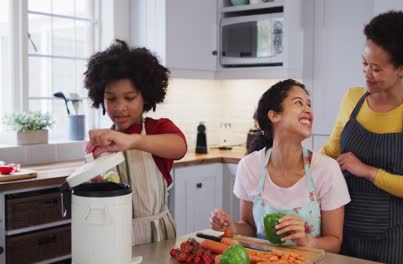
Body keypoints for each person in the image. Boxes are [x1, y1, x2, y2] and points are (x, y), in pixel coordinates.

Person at [320, 11, 403, 263]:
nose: (366, 73)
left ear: (402, 69)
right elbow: (331, 151)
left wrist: (367, 171)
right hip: (342, 228)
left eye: (376, 68)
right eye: (364, 63)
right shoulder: (351, 99)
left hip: (391, 237)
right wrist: (292, 164)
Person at [210, 79, 350, 253]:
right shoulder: (250, 166)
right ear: (275, 115)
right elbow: (250, 228)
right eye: (298, 103)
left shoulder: (326, 169)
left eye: (309, 104)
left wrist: (306, 241)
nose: (308, 110)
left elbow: (334, 243)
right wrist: (231, 226)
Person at [83, 39, 187, 245]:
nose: (119, 107)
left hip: (158, 238)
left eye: (129, 98)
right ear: (100, 99)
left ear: (145, 97)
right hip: (113, 237)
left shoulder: (159, 129)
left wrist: (132, 140)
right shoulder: (98, 143)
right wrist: (94, 184)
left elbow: (179, 147)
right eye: (111, 99)